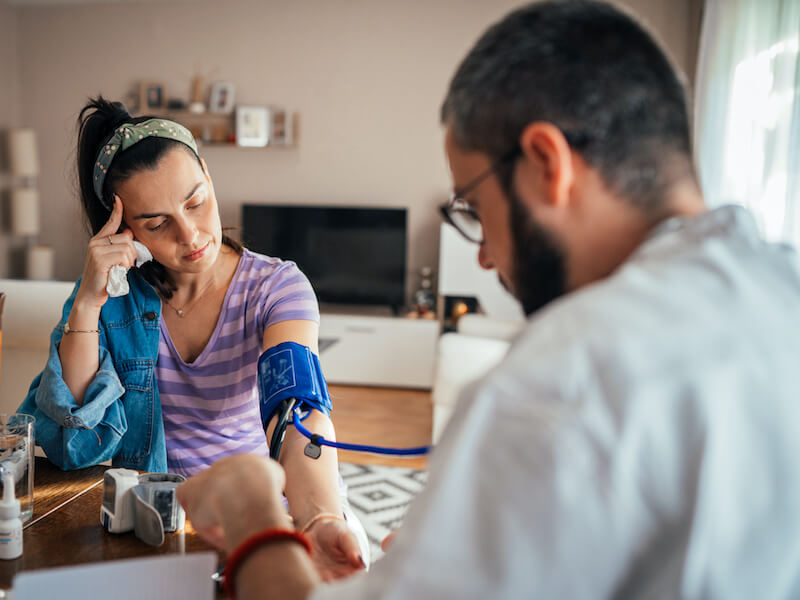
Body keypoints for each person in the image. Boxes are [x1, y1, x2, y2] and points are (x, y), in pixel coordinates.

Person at [178, 0, 800, 598]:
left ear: (546, 162)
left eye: (473, 209)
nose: (484, 257)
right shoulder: (778, 287)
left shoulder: (564, 377)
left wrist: (256, 516)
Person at [18, 97, 366, 580]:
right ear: (121, 228)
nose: (191, 235)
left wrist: (320, 519)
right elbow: (74, 440)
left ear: (207, 171)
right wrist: (87, 304)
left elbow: (298, 411)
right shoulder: (112, 295)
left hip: (255, 511)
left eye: (196, 201)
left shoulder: (276, 288)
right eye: (157, 224)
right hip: (152, 521)